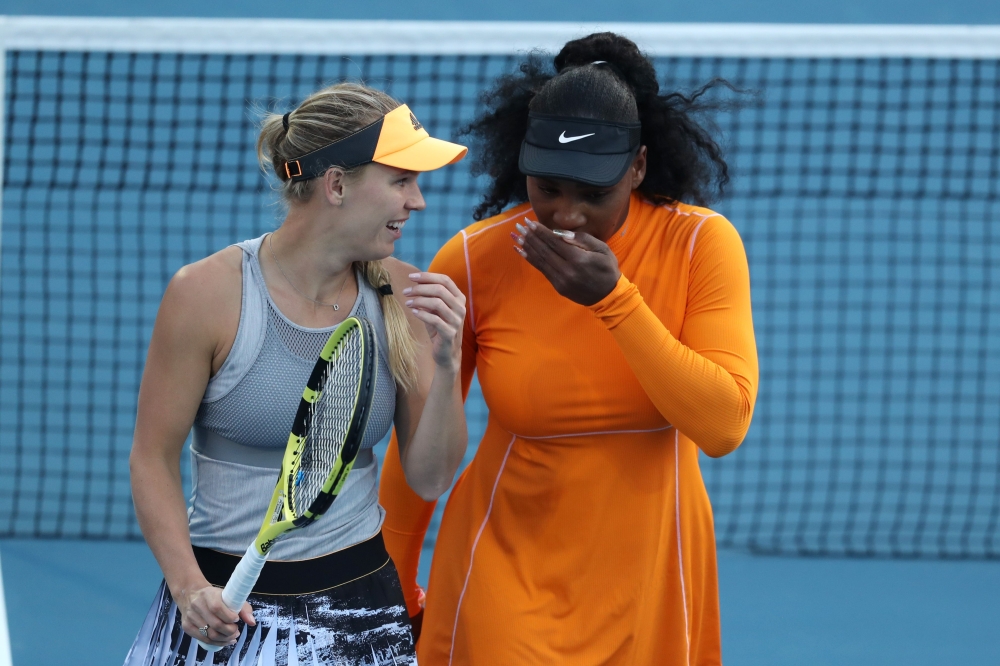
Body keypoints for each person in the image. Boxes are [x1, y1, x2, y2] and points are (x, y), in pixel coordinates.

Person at [378, 32, 759, 665]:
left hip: (654, 573)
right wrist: (392, 589)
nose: (567, 215)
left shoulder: (701, 247)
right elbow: (414, 447)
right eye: (549, 188)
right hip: (506, 567)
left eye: (593, 193)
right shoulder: (475, 259)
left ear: (636, 168)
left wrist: (615, 302)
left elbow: (722, 425)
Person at [125, 82, 470, 666]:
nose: (418, 202)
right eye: (401, 180)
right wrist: (189, 588)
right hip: (221, 608)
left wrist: (448, 361)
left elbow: (432, 477)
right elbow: (151, 456)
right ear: (337, 184)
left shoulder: (405, 298)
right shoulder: (206, 295)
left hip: (360, 611)